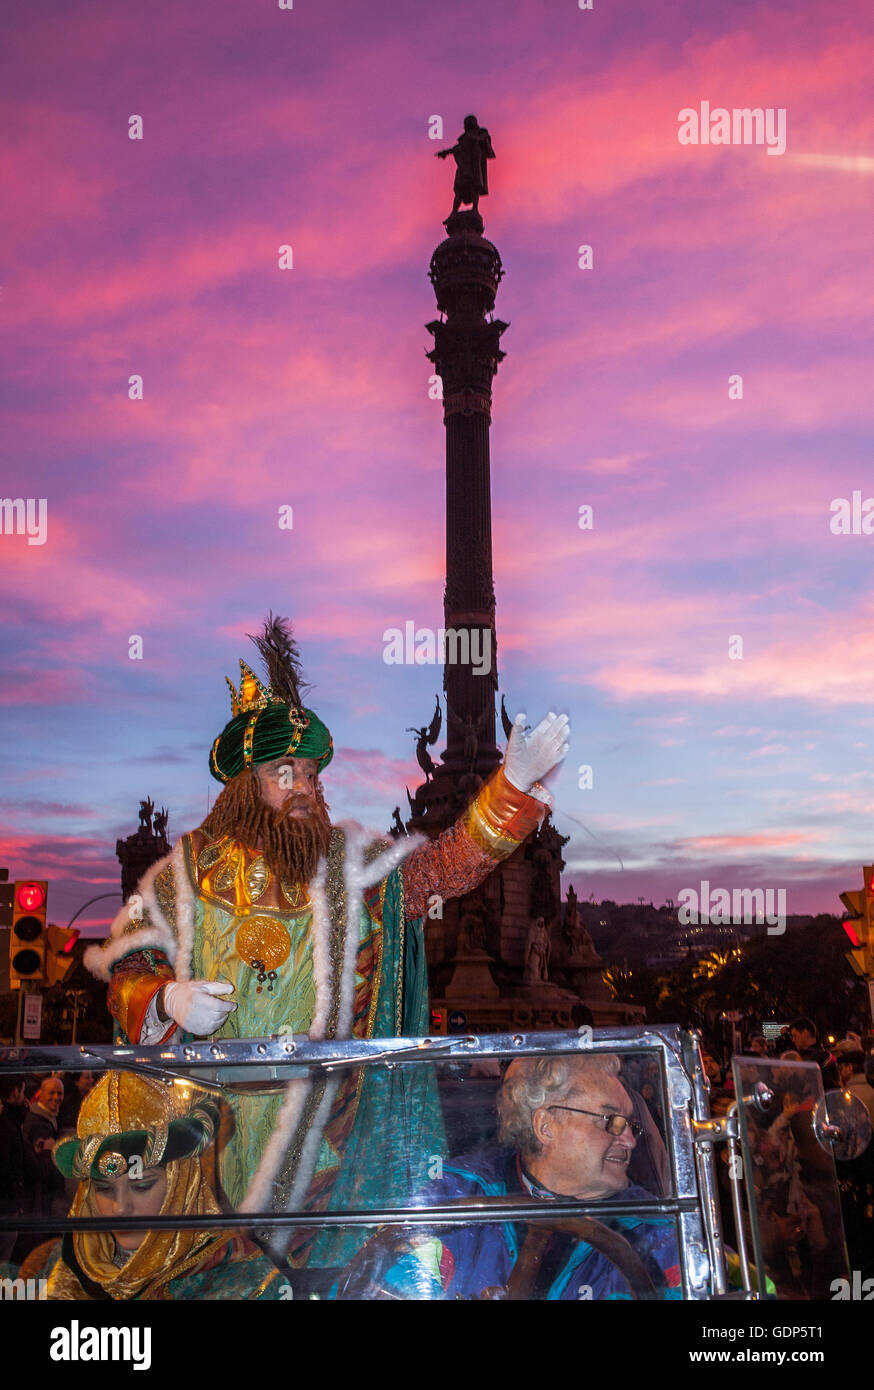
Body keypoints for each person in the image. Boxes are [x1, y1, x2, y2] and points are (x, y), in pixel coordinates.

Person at [84, 614, 569, 1257]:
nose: (308, 787)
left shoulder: (348, 873)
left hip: (325, 1153)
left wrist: (509, 791)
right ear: (245, 783)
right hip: (201, 1140)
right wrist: (167, 1001)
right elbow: (129, 962)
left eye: (313, 773)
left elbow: (437, 870)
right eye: (289, 772)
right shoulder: (183, 876)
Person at [363, 1054, 681, 1300]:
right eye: (611, 1120)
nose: (630, 1141)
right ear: (546, 1126)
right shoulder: (452, 1197)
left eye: (630, 1125)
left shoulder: (656, 1227)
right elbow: (385, 1281)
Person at [18, 1071, 287, 1300]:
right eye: (104, 1189)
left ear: (181, 1182)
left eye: (142, 1186)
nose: (120, 1208)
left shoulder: (241, 1282)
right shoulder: (60, 1270)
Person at [22, 1077, 67, 1220]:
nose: (56, 1097)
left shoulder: (48, 1118)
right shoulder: (36, 1123)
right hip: (42, 1197)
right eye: (51, 1093)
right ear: (41, 1094)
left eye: (59, 1093)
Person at [0, 1078, 27, 1263]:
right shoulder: (7, 1127)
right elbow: (10, 1168)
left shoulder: (11, 1123)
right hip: (6, 1205)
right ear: (16, 1092)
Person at [789, 1018, 839, 1089]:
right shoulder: (821, 1056)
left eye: (795, 1035)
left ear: (805, 1033)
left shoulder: (824, 1057)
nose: (793, 1040)